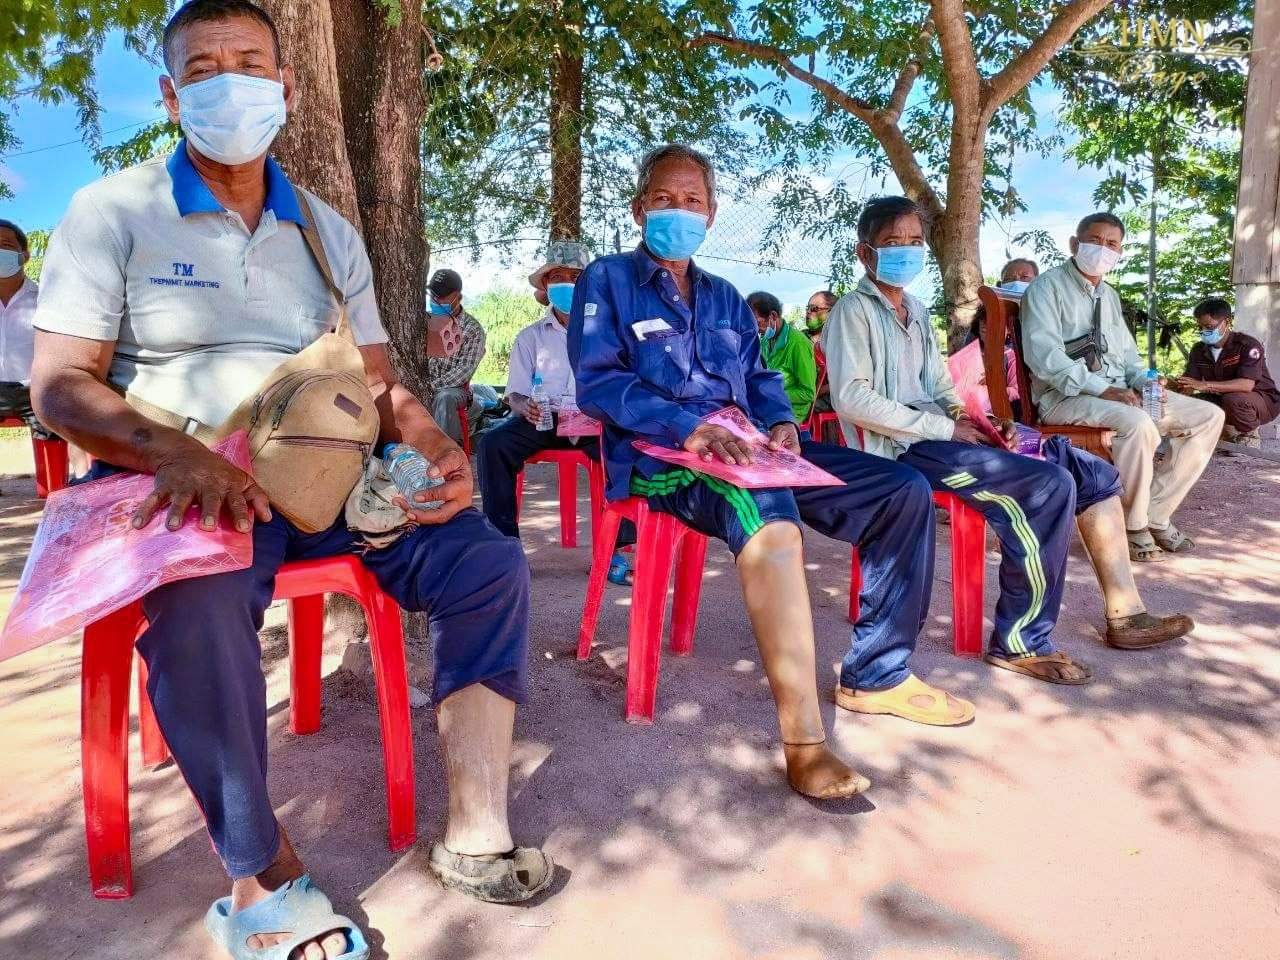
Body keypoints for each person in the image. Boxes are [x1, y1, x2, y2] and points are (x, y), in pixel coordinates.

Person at [29, 3, 550, 957]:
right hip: (192, 482)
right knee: (199, 603)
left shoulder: (325, 229)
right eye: (204, 68)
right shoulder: (112, 212)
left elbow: (379, 386)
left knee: (484, 563)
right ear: (170, 94)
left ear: (286, 85)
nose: (229, 82)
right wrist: (172, 452)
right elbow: (59, 384)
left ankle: (477, 830)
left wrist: (431, 444)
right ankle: (259, 877)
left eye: (250, 63)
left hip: (331, 480)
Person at [571, 144, 951, 781]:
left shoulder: (725, 297)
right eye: (664, 199)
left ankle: (878, 672)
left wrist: (781, 423)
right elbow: (599, 383)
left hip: (750, 444)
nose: (679, 211)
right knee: (769, 516)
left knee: (900, 489)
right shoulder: (607, 280)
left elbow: (760, 377)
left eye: (693, 201)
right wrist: (689, 428)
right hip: (663, 455)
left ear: (711, 213)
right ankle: (805, 744)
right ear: (640, 209)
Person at [825, 197, 1192, 686]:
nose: (907, 251)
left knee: (1090, 472)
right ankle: (1021, 641)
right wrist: (946, 428)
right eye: (894, 242)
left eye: (915, 241)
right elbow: (852, 399)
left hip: (942, 435)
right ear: (865, 253)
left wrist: (974, 419)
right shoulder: (852, 311)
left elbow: (940, 388)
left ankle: (1126, 613)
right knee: (1045, 486)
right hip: (901, 449)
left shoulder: (915, 309)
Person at [1021, 212, 1225, 562]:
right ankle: (1132, 525)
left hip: (1117, 393)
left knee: (1208, 416)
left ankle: (1155, 514)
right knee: (1138, 423)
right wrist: (1102, 389)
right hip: (1066, 397)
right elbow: (1045, 359)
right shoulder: (1046, 288)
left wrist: (1147, 382)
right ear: (1074, 244)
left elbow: (1130, 358)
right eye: (1095, 241)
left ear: (1119, 252)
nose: (1103, 249)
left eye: (1111, 244)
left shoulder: (1110, 296)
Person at [475, 240, 636, 576]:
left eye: (576, 277)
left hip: (594, 422)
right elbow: (515, 394)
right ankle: (505, 549)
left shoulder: (608, 333)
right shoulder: (530, 337)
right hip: (544, 419)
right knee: (492, 445)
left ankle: (614, 550)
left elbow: (622, 383)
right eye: (557, 277)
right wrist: (526, 407)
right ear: (546, 285)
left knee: (627, 446)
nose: (567, 284)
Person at [1171, 297, 1278, 449]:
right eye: (1200, 327)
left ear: (1227, 322)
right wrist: (1171, 387)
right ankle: (1224, 433)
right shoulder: (1198, 350)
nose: (1204, 331)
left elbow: (1246, 385)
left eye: (1209, 327)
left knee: (1233, 399)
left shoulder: (1248, 345)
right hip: (1222, 398)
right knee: (1193, 402)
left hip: (1260, 401)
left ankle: (1249, 436)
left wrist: (1205, 385)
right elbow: (1189, 384)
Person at [950, 258, 1040, 419]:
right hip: (987, 404)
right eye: (1009, 279)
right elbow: (967, 366)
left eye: (1024, 277)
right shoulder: (987, 320)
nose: (1016, 282)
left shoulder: (1047, 318)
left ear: (1038, 282)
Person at [0, 219, 52, 439]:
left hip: (35, 393)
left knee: (58, 429)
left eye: (6, 245)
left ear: (25, 256)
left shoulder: (46, 300)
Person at [424, 267, 487, 443]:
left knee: (444, 398)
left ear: (457, 297)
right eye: (433, 295)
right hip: (426, 384)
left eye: (441, 296)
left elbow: (464, 370)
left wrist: (430, 387)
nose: (436, 300)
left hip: (455, 389)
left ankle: (447, 451)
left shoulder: (472, 329)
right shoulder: (423, 322)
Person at [748, 290, 817, 423]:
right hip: (770, 404)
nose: (755, 329)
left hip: (791, 411)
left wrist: (772, 394)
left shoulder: (797, 343)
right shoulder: (765, 340)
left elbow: (808, 393)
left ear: (773, 316)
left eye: (757, 323)